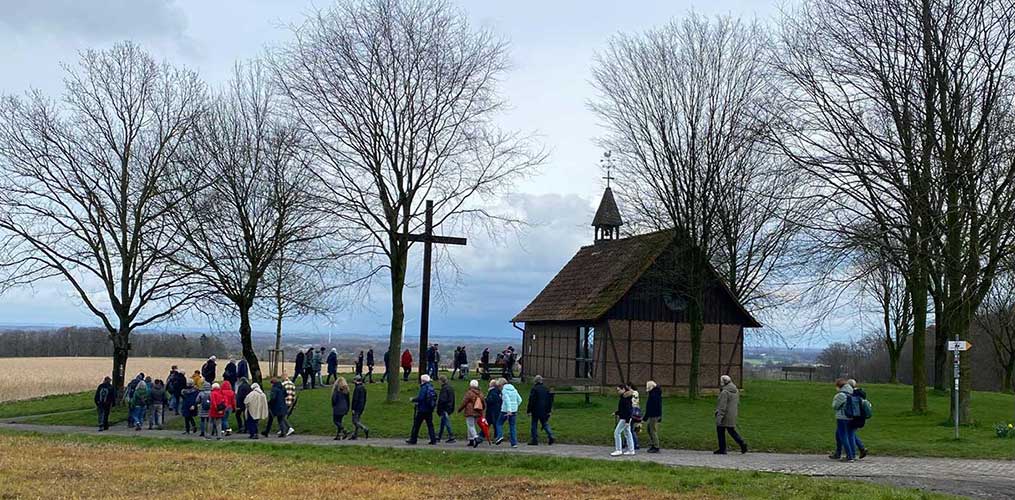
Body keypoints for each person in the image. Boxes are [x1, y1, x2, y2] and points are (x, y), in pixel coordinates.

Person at [715, 374, 748, 455]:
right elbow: (737, 403)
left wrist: (719, 416)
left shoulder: (724, 392)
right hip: (732, 414)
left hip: (725, 415)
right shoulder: (735, 390)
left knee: (720, 430)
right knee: (731, 430)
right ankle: (742, 443)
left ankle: (722, 449)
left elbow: (722, 406)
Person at [830, 378, 857, 462]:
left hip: (842, 417)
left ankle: (849, 456)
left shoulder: (841, 395)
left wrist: (835, 399)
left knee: (843, 436)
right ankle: (852, 454)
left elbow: (835, 406)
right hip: (852, 417)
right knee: (851, 436)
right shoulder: (853, 392)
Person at [406, 374, 437, 445]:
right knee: (430, 425)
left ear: (423, 380)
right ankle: (433, 439)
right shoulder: (431, 387)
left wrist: (413, 399)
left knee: (416, 425)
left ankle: (413, 439)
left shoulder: (423, 388)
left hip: (422, 409)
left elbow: (421, 398)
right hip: (429, 409)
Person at [526, 375, 555, 445]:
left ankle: (534, 439)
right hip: (545, 409)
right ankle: (551, 435)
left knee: (534, 424)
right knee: (544, 423)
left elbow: (531, 401)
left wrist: (529, 410)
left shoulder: (534, 389)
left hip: (536, 409)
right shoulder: (546, 389)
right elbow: (550, 400)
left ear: (535, 381)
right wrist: (549, 410)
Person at [458, 379, 485, 447]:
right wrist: (483, 409)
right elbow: (483, 403)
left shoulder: (469, 392)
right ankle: (471, 440)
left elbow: (464, 402)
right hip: (478, 411)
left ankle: (475, 438)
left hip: (470, 411)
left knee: (470, 426)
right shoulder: (480, 393)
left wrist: (460, 409)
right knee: (471, 426)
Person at [611, 384, 635, 457]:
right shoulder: (624, 397)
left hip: (625, 418)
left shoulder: (625, 398)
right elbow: (623, 409)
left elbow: (628, 410)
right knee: (628, 433)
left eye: (619, 390)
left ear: (624, 389)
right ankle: (631, 450)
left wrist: (627, 421)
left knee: (617, 432)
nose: (618, 391)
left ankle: (618, 450)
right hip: (625, 417)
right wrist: (616, 413)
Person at [848, 379, 869, 459]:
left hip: (855, 417)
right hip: (861, 417)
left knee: (850, 434)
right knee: (852, 433)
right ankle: (861, 448)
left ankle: (853, 453)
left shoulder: (853, 395)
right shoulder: (861, 394)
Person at [497, 377, 522, 448]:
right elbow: (520, 400)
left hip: (505, 410)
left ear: (501, 385)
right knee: (512, 426)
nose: (499, 388)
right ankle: (514, 443)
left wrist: (509, 410)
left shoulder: (504, 391)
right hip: (514, 411)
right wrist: (515, 407)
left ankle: (500, 436)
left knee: (499, 423)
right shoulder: (514, 389)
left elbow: (507, 400)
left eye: (499, 386)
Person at [644, 380, 663, 453]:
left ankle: (656, 446)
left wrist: (645, 417)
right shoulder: (656, 394)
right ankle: (653, 444)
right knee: (649, 429)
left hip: (654, 415)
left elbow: (650, 407)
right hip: (655, 414)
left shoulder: (653, 395)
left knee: (652, 430)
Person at [436, 375, 456, 443]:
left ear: (441, 381)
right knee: (443, 422)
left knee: (446, 422)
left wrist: (439, 407)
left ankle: (451, 436)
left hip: (445, 407)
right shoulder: (450, 388)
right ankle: (439, 436)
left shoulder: (444, 389)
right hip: (449, 407)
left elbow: (442, 399)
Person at [350, 375, 370, 439]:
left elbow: (355, 399)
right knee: (357, 420)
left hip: (357, 407)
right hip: (361, 406)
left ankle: (365, 428)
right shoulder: (363, 388)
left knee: (355, 421)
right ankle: (355, 435)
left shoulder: (357, 388)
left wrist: (353, 408)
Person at [485, 379, 502, 443]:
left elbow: (491, 400)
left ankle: (496, 437)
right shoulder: (498, 392)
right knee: (494, 424)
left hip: (492, 410)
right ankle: (496, 437)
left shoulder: (492, 391)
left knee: (490, 423)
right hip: (497, 409)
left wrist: (486, 399)